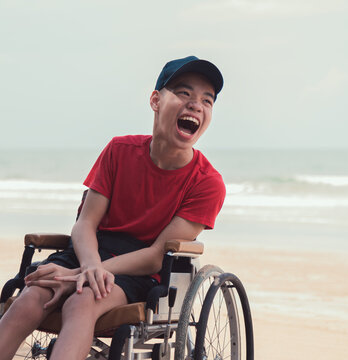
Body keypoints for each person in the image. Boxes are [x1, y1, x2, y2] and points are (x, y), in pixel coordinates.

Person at [0, 56, 226, 360]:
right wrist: (88, 264)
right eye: (184, 93)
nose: (196, 105)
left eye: (207, 100)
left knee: (82, 299)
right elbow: (85, 224)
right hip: (90, 250)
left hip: (141, 270)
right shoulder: (119, 150)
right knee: (29, 297)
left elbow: (156, 255)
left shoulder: (207, 183)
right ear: (156, 100)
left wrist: (85, 273)